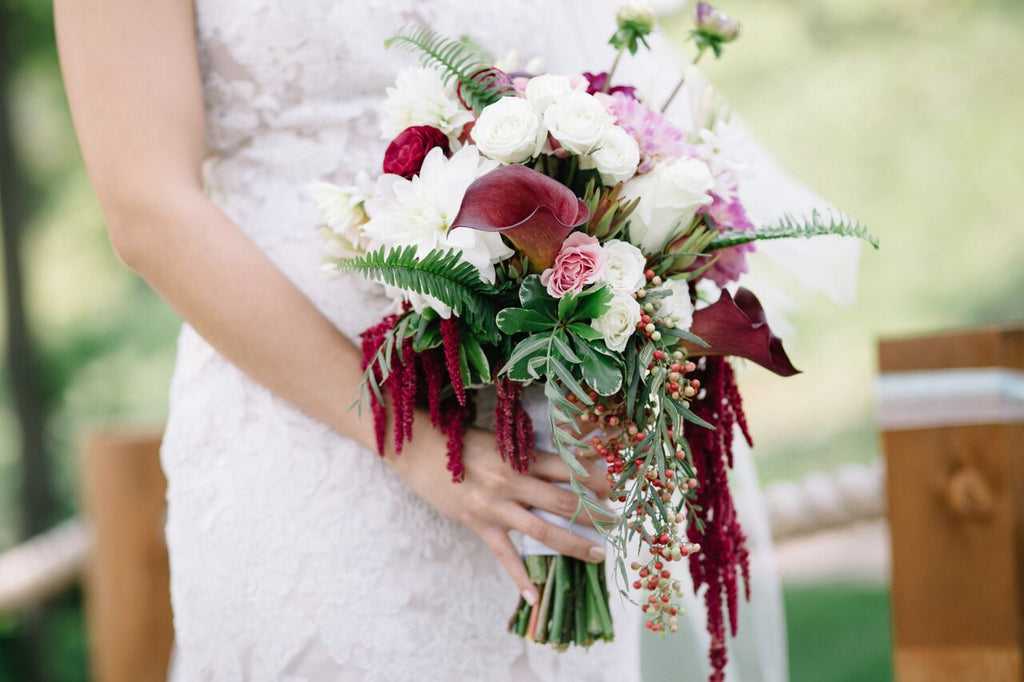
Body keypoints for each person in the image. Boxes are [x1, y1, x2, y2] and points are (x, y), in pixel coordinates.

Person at [55, 0, 797, 679]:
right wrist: (412, 444)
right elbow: (148, 208)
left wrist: (606, 326)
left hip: (535, 443)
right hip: (304, 446)